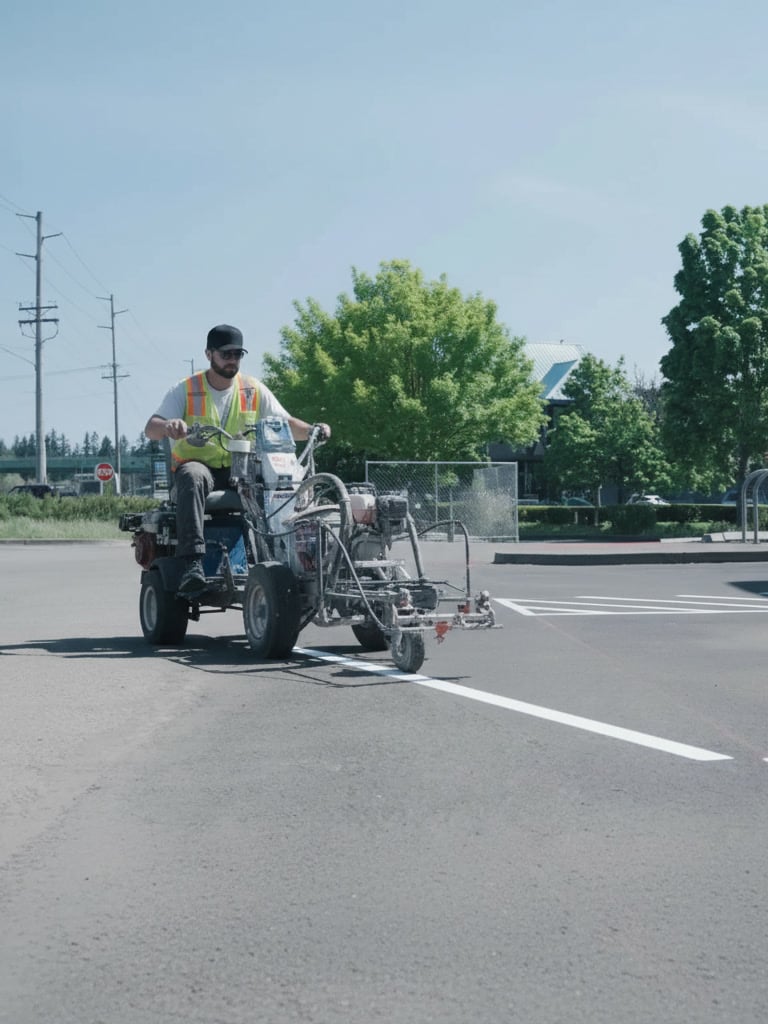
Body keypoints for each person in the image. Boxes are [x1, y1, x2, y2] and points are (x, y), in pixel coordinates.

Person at [145, 324, 330, 598]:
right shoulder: (185, 389)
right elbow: (151, 428)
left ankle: (287, 556)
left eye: (237, 354)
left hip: (240, 469)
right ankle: (192, 563)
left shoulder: (253, 388)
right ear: (209, 354)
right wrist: (169, 425)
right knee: (193, 476)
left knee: (282, 483)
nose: (232, 360)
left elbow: (285, 423)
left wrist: (314, 430)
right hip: (199, 466)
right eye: (226, 354)